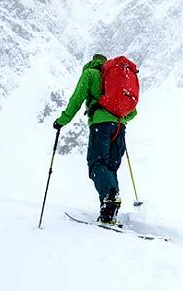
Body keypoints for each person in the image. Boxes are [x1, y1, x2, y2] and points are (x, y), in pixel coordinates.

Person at [53, 54, 137, 224]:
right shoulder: (117, 80)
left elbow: (76, 99)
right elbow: (133, 111)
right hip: (120, 127)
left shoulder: (90, 73)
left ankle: (109, 196)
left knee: (96, 164)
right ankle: (108, 212)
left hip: (101, 126)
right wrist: (119, 121)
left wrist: (63, 120)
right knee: (111, 168)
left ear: (93, 62)